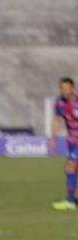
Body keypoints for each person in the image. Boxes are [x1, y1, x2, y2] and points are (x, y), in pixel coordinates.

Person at [50, 77, 78, 211]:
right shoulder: (59, 103)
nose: (64, 91)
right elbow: (57, 120)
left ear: (73, 88)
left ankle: (70, 201)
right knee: (73, 169)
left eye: (67, 88)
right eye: (62, 88)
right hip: (72, 142)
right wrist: (52, 138)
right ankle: (71, 199)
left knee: (70, 167)